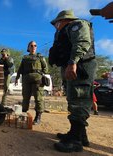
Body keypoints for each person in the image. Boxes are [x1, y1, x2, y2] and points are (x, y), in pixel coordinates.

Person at [49, 10, 97, 153]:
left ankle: (75, 141)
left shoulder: (77, 25)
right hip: (72, 67)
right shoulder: (64, 31)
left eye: (57, 22)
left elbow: (82, 42)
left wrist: (72, 62)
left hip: (80, 67)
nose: (56, 26)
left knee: (79, 100)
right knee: (74, 100)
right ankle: (80, 135)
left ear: (64, 20)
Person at [15, 41, 48, 125]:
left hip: (37, 80)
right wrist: (17, 77)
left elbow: (45, 69)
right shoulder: (25, 58)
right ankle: (23, 114)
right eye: (31, 46)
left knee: (38, 98)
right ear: (28, 48)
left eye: (35, 45)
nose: (33, 47)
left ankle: (38, 117)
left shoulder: (40, 57)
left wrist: (40, 75)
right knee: (25, 98)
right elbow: (20, 69)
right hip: (26, 80)